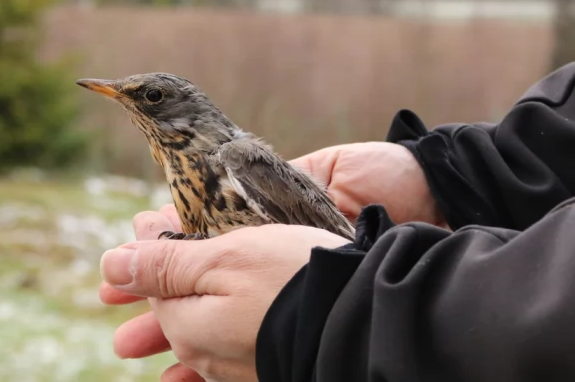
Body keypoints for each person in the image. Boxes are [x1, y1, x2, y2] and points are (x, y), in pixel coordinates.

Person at [98, 62, 575, 382]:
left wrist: (331, 316)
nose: (136, 101)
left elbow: (334, 256)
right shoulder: (184, 169)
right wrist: (448, 173)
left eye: (152, 97)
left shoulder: (237, 160)